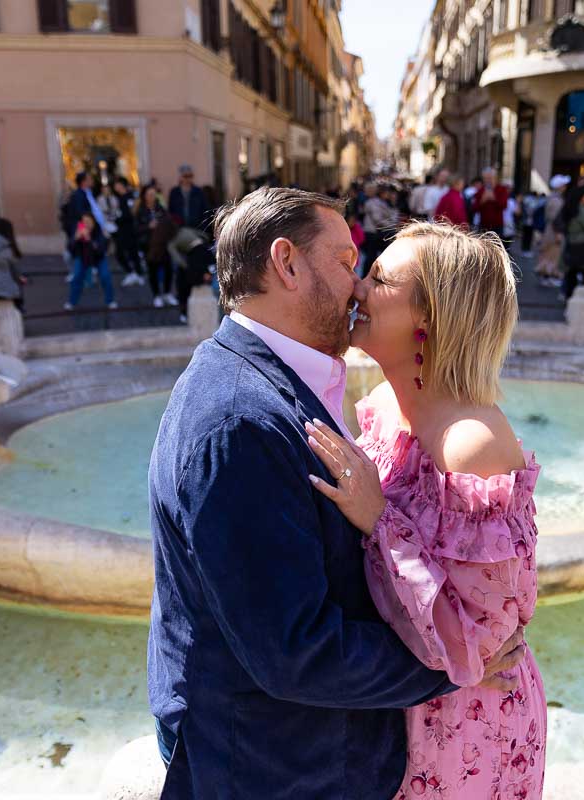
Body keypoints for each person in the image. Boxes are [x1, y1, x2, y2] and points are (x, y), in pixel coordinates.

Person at [148, 188, 531, 799]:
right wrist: (461, 664)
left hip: (386, 743)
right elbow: (297, 653)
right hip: (272, 765)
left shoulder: (264, 387)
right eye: (348, 262)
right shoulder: (242, 419)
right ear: (288, 264)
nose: (356, 286)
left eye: (370, 273)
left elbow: (486, 604)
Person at [304, 221, 546, 799]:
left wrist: (378, 518)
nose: (358, 287)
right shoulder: (384, 407)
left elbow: (480, 642)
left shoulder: (474, 443)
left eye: (381, 279)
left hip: (466, 729)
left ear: (428, 317)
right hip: (399, 711)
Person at [64, 212, 116, 310]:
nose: (86, 224)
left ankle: (110, 301)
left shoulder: (99, 231)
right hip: (83, 258)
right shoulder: (78, 231)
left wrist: (89, 240)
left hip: (98, 258)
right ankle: (71, 302)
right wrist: (75, 238)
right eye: (84, 222)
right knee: (77, 277)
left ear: (93, 222)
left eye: (88, 221)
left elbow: (101, 248)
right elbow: (70, 248)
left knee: (105, 277)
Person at [135, 184, 175, 307]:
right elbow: (136, 229)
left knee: (168, 269)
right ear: (145, 196)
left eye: (154, 194)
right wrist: (148, 226)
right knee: (152, 271)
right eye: (149, 195)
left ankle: (167, 293)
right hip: (148, 245)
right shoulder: (141, 211)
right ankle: (156, 295)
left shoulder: (160, 208)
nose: (152, 197)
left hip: (162, 244)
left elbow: (168, 221)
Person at [560, 183, 584, 300]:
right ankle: (583, 300)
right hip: (581, 246)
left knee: (571, 274)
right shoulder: (580, 209)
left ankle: (570, 299)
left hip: (572, 245)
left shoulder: (572, 207)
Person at [108, 177, 144, 286]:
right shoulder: (119, 198)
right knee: (120, 253)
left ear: (121, 185)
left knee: (132, 253)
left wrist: (117, 218)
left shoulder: (130, 197)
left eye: (116, 184)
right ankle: (131, 273)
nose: (115, 187)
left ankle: (138, 274)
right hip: (121, 230)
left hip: (130, 230)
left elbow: (130, 214)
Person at [535, 176, 568, 287]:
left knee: (549, 254)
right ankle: (546, 277)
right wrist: (558, 233)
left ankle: (547, 276)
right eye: (563, 185)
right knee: (551, 254)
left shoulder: (554, 198)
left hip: (551, 230)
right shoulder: (556, 200)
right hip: (553, 232)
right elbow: (555, 218)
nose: (565, 187)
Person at [168, 164, 209, 233]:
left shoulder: (198, 191)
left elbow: (205, 211)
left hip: (196, 229)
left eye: (190, 176)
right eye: (185, 176)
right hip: (179, 230)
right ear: (180, 177)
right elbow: (171, 212)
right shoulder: (174, 192)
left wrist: (202, 228)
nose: (188, 179)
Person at [474, 167, 510, 237]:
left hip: (497, 225)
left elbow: (504, 206)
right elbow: (474, 208)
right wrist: (482, 201)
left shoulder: (502, 189)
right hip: (484, 225)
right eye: (486, 178)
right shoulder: (480, 190)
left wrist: (494, 199)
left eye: (490, 178)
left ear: (495, 178)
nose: (488, 180)